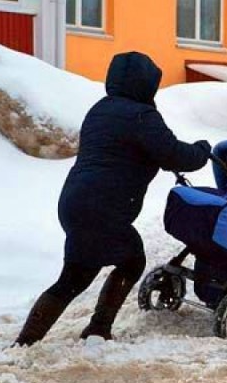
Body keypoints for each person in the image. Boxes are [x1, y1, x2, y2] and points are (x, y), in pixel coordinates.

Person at [15, 52, 211, 346]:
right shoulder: (142, 116)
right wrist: (202, 150)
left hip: (74, 202)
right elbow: (173, 154)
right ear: (144, 83)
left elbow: (129, 150)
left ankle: (27, 342)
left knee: (76, 276)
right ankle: (97, 329)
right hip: (103, 208)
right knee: (130, 261)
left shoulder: (100, 110)